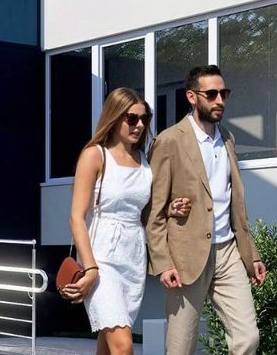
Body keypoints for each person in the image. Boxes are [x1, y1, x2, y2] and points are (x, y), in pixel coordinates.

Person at [145, 65, 268, 354]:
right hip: (185, 256)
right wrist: (163, 262)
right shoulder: (169, 141)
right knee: (181, 346)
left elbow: (235, 203)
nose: (220, 100)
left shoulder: (227, 138)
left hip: (228, 251)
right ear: (192, 96)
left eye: (224, 93)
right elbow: (153, 209)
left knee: (248, 338)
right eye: (211, 94)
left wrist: (251, 255)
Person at [61, 87, 191, 355]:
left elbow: (143, 211)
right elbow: (76, 217)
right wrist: (91, 268)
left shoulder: (144, 160)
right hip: (102, 257)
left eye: (145, 118)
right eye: (132, 119)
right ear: (114, 117)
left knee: (108, 347)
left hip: (133, 256)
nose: (140, 125)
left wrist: (169, 210)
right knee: (123, 346)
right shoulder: (95, 155)